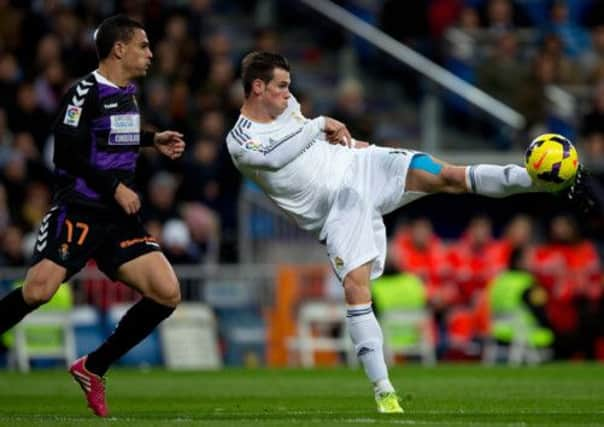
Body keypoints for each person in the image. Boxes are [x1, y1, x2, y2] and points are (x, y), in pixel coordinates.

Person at [225, 51, 591, 414]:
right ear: (258, 87)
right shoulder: (240, 140)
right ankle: (384, 392)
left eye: (289, 87)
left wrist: (354, 145)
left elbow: (311, 147)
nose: (289, 95)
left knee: (449, 177)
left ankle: (541, 180)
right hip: (337, 210)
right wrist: (318, 124)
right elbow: (274, 157)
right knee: (357, 289)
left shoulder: (288, 109)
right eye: (282, 87)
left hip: (360, 165)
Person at [0, 15, 185, 417]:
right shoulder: (83, 92)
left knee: (168, 293)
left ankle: (93, 367)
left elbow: (113, 135)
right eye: (143, 46)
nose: (151, 54)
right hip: (79, 210)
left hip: (117, 219)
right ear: (119, 49)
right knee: (38, 292)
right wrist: (114, 187)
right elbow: (65, 153)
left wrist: (152, 139)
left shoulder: (129, 93)